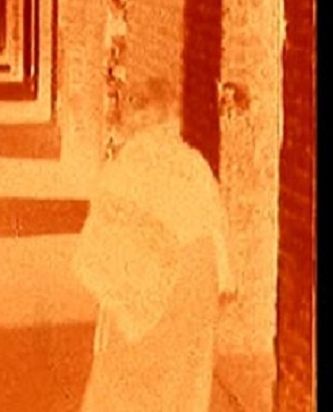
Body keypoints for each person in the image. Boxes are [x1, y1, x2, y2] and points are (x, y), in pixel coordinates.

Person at [72, 77, 237, 411]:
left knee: (125, 388)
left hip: (146, 290)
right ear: (171, 118)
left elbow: (95, 252)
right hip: (196, 283)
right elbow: (221, 253)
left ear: (133, 120)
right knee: (184, 389)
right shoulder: (195, 164)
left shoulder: (124, 167)